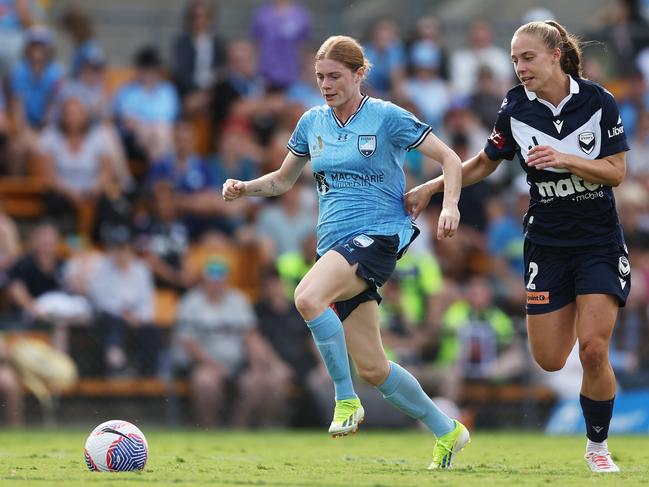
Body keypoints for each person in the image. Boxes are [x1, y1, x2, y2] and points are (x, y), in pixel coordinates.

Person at [223, 35, 469, 469]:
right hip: (334, 245)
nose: (326, 84)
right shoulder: (311, 122)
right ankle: (447, 430)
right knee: (375, 367)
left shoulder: (387, 117)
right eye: (319, 77)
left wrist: (448, 204)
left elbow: (449, 158)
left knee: (306, 297)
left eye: (335, 76)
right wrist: (245, 189)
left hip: (378, 236)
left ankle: (345, 398)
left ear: (359, 74)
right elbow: (283, 181)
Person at [406, 21, 631, 473]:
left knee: (592, 348)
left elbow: (616, 171)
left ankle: (597, 446)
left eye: (527, 57)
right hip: (546, 244)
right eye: (514, 59)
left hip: (598, 241)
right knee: (549, 359)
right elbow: (483, 164)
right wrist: (433, 187)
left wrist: (567, 158)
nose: (519, 67)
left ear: (554, 56)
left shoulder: (598, 101)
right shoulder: (513, 107)